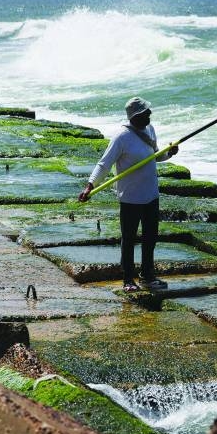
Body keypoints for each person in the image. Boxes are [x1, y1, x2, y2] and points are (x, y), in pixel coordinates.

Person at [78, 97, 178, 292]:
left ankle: (147, 276)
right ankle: (128, 279)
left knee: (150, 238)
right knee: (129, 239)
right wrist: (90, 186)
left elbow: (155, 156)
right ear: (136, 116)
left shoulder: (149, 130)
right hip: (131, 198)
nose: (150, 115)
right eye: (146, 113)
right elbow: (104, 164)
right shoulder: (122, 137)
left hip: (151, 195)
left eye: (149, 111)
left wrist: (170, 153)